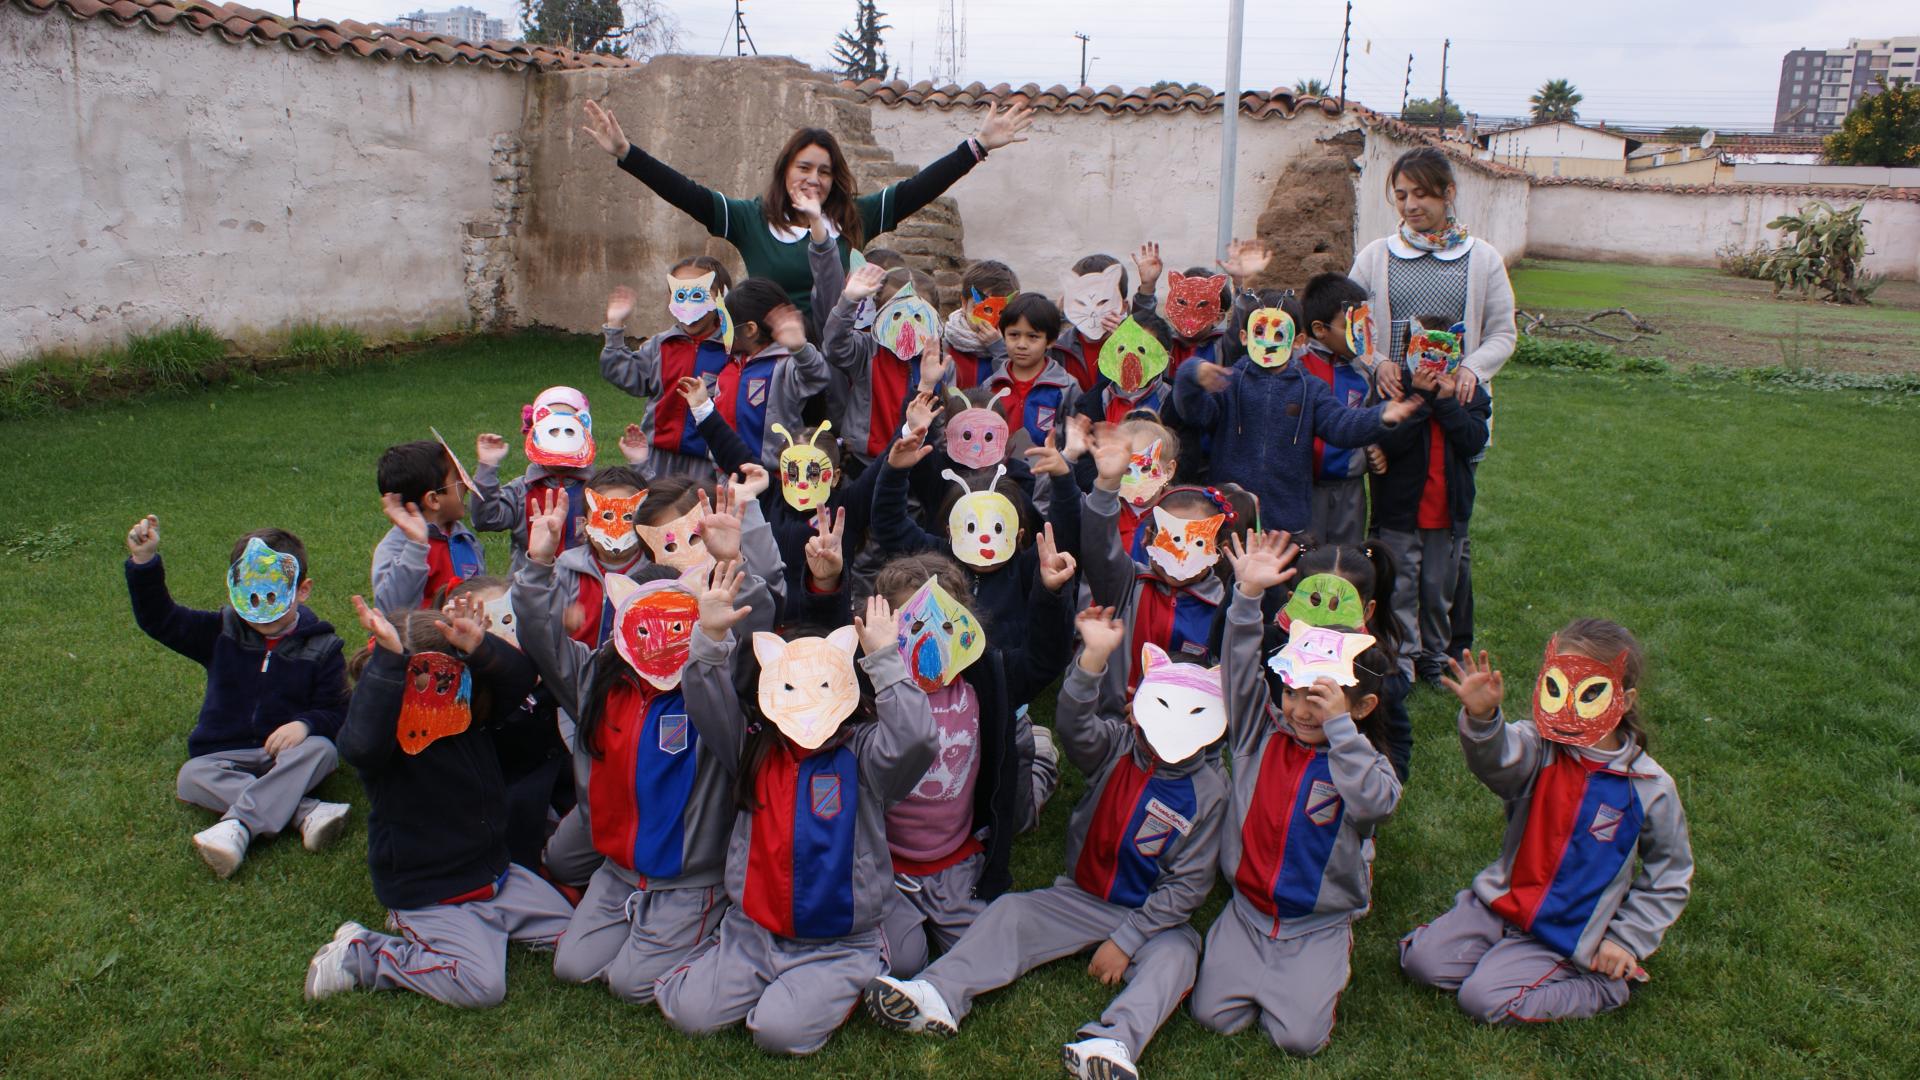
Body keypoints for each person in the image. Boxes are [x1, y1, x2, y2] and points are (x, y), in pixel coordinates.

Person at [866, 605, 1227, 1080]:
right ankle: (937, 993)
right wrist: (1092, 660)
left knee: (1180, 956)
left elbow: (1188, 887)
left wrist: (1129, 940)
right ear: (1139, 703)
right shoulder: (1117, 746)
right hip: (1080, 896)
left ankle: (1114, 1041)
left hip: (1153, 919)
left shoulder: (1209, 793)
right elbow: (1076, 727)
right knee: (1012, 914)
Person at [515, 492, 776, 1004]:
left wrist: (731, 560)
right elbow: (541, 638)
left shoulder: (713, 686)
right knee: (572, 967)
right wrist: (539, 562)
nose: (661, 638)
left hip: (689, 877)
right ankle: (635, 920)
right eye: (644, 622)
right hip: (617, 869)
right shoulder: (597, 680)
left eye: (678, 622)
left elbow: (754, 628)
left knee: (630, 984)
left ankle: (721, 922)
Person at [653, 594, 938, 1055]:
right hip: (753, 932)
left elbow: (917, 741)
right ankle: (749, 976)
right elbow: (705, 701)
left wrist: (885, 660)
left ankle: (875, 958)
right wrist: (708, 638)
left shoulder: (863, 754)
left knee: (778, 1032)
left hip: (838, 941)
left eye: (822, 685)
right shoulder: (751, 745)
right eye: (790, 686)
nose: (806, 699)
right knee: (690, 1014)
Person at [1401, 623, 1693, 1024]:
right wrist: (1483, 718)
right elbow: (1499, 764)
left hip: (1564, 932)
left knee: (1483, 1000)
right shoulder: (1539, 746)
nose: (1570, 705)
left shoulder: (1649, 787)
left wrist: (1626, 939)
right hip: (1500, 906)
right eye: (1557, 687)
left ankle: (1605, 984)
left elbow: (1670, 873)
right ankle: (1500, 952)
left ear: (1623, 700)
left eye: (1591, 693)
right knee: (1422, 963)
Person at [304, 596, 576, 1008]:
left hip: (496, 879)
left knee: (573, 938)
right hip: (432, 893)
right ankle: (364, 952)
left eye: (446, 678)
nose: (432, 693)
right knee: (482, 985)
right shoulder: (382, 737)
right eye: (415, 679)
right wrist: (390, 663)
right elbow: (357, 746)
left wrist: (481, 646)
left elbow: (521, 680)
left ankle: (487, 927)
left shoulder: (470, 716)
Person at [1192, 532, 1400, 1056]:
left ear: (1361, 706)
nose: (1302, 710)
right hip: (1247, 907)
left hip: (1317, 920)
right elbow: (1239, 670)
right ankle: (1250, 952)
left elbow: (1377, 805)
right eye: (1292, 691)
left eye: (1321, 699)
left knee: (1298, 1040)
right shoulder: (1258, 733)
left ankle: (1322, 961)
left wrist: (1341, 734)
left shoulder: (1361, 761)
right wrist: (1245, 597)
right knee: (1212, 1016)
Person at [581, 99, 1036, 314]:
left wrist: (978, 146)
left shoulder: (853, 218)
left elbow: (920, 188)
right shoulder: (750, 219)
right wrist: (627, 153)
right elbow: (685, 192)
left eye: (823, 170)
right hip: (769, 356)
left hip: (835, 355)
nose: (813, 178)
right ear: (785, 171)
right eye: (804, 167)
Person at [1349, 145, 1518, 659]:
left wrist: (1470, 369)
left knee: (1449, 533)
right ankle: (1400, 642)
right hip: (1397, 409)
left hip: (1452, 409)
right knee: (1396, 523)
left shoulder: (1481, 258)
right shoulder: (1376, 256)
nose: (1410, 205)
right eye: (1401, 195)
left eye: (1421, 193)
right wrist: (1376, 361)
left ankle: (1445, 644)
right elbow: (1356, 327)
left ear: (1448, 193)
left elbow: (1503, 334)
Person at [872, 552, 1075, 975]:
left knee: (989, 952)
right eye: (911, 624)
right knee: (899, 961)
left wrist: (1050, 595)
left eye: (945, 625)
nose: (929, 639)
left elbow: (1043, 661)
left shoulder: (987, 675)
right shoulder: (867, 689)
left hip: (956, 859)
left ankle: (1038, 756)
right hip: (888, 865)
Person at [124, 517, 350, 878]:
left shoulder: (323, 647)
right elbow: (160, 619)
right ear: (236, 586)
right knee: (191, 775)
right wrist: (144, 562)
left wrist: (305, 725)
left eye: (274, 592)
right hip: (223, 754)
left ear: (302, 590)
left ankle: (237, 829)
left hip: (288, 755)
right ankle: (305, 812)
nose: (262, 609)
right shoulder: (219, 631)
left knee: (322, 750)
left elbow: (338, 710)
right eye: (252, 591)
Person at [1174, 292, 1420, 537]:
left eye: (1279, 334)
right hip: (1230, 514)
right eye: (1259, 332)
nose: (1268, 341)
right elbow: (1194, 414)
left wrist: (1380, 416)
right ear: (1244, 337)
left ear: (1298, 341)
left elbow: (1341, 426)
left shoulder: (1311, 389)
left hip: (1286, 520)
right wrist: (1190, 374)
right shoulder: (1226, 383)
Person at [1368, 330, 1491, 688]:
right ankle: (1403, 657)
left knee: (1439, 592)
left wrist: (1447, 402)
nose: (1434, 364)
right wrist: (1420, 398)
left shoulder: (1470, 396)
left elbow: (1472, 440)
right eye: (1425, 353)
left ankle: (1436, 656)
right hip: (1402, 517)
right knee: (1401, 591)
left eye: (1444, 354)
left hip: (1446, 520)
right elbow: (1391, 440)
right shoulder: (1397, 392)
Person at [1276, 539, 1413, 781]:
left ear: (1367, 611)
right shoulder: (1274, 649)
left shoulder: (1372, 670)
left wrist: (1385, 782)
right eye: (1315, 602)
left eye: (1339, 606)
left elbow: (1395, 743)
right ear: (1293, 601)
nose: (1325, 620)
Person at [598, 255, 736, 480]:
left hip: (709, 462)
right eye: (681, 294)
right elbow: (626, 375)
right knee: (656, 510)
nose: (690, 304)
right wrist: (614, 325)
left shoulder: (732, 349)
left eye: (699, 294)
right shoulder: (660, 345)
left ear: (721, 296)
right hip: (657, 458)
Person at [471, 385, 599, 573]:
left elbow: (640, 514)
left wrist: (639, 464)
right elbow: (486, 519)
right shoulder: (521, 490)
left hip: (582, 590)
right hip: (529, 589)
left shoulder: (598, 489)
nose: (560, 437)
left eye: (569, 430)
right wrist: (487, 468)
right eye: (553, 429)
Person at [1298, 273, 1384, 548]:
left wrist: (1373, 448)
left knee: (1347, 558)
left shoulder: (1363, 372)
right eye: (1352, 325)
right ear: (1320, 329)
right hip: (1303, 486)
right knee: (1305, 558)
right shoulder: (1297, 368)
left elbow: (1367, 418)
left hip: (1350, 488)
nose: (1362, 333)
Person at [372, 439, 483, 613]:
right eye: (458, 481)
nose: (467, 487)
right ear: (433, 499)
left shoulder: (464, 538)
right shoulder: (396, 548)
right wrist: (417, 546)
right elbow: (390, 610)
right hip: (420, 638)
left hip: (466, 635)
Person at [943, 259, 1018, 389]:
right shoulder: (944, 348)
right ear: (964, 304)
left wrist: (999, 349)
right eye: (985, 309)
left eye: (1002, 312)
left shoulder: (1018, 349)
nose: (990, 320)